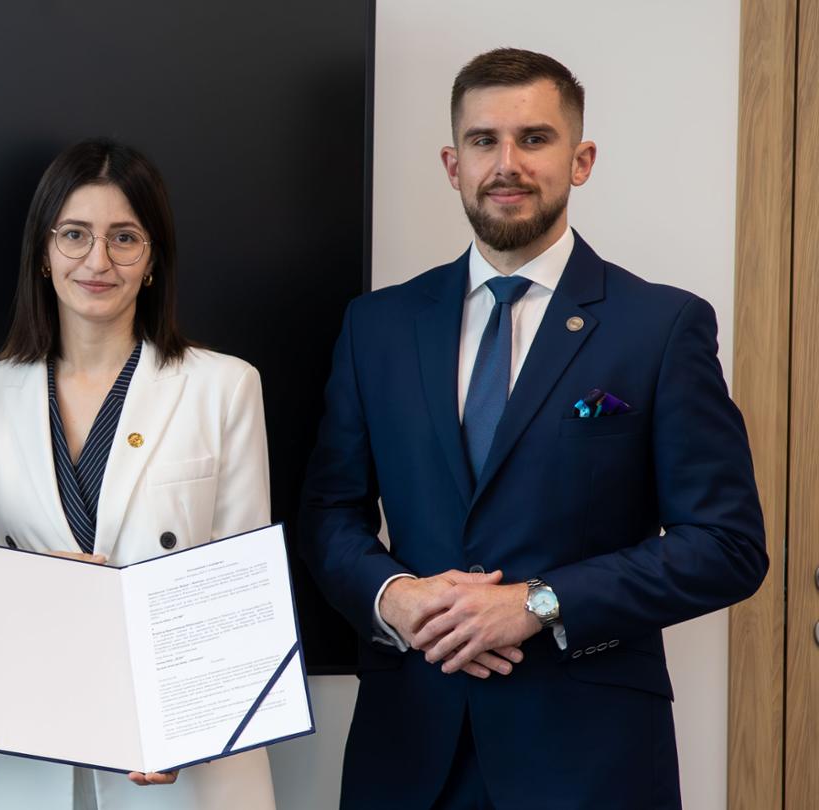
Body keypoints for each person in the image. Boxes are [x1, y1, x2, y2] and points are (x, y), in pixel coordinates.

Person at [299, 48, 767, 808]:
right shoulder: (376, 326)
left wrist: (538, 603)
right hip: (410, 748)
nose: (506, 164)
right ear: (453, 164)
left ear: (581, 161)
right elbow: (328, 513)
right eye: (483, 140)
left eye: (535, 139)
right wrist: (394, 596)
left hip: (590, 759)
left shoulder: (661, 326)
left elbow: (726, 545)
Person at [0, 138, 278, 810]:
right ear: (43, 252)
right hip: (26, 747)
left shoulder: (225, 387)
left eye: (124, 238)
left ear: (152, 260)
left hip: (182, 757)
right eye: (75, 235)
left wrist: (186, 727)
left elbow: (239, 586)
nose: (97, 261)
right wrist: (30, 591)